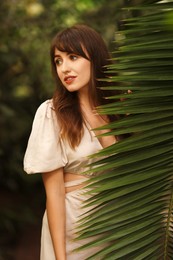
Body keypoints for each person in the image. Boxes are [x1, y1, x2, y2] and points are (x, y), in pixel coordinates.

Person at [23, 24, 118, 260]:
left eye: (72, 57)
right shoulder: (52, 113)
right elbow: (54, 194)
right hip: (74, 224)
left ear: (94, 58)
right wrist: (60, 257)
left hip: (118, 223)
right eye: (58, 61)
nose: (64, 68)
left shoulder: (118, 109)